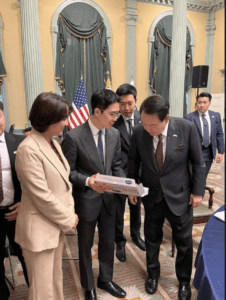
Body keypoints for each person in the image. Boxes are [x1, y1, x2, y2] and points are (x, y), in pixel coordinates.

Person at [127, 95, 206, 300]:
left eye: (152, 125)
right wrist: (131, 187)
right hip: (152, 197)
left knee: (184, 242)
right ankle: (153, 275)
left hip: (180, 196)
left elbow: (198, 163)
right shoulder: (138, 132)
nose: (148, 129)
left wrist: (197, 192)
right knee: (152, 239)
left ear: (166, 118)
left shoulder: (186, 129)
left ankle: (183, 282)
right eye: (144, 123)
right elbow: (133, 163)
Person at [62, 89, 126, 300]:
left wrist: (126, 185)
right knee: (85, 245)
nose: (117, 118)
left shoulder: (114, 134)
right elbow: (68, 173)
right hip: (86, 200)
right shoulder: (74, 136)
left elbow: (115, 165)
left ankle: (105, 279)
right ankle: (88, 285)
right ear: (97, 112)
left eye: (117, 114)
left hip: (109, 200)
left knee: (108, 242)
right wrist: (89, 181)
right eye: (113, 114)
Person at [14, 92, 78, 300]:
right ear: (48, 119)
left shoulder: (54, 143)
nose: (66, 123)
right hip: (39, 230)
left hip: (53, 225)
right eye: (63, 118)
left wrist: (69, 212)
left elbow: (64, 184)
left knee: (54, 282)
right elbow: (42, 196)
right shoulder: (28, 149)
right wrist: (69, 219)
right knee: (42, 291)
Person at [114, 83, 145, 263]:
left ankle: (136, 235)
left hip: (140, 176)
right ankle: (119, 241)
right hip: (120, 176)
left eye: (130, 103)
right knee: (118, 211)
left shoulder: (144, 119)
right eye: (122, 104)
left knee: (136, 207)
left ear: (136, 101)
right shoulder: (113, 124)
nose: (126, 108)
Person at [0, 101, 28, 300]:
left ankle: (36, 292)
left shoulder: (19, 143)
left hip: (16, 210)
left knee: (26, 255)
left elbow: (31, 180)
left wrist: (24, 203)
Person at [184, 92, 224, 179]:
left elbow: (219, 134)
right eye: (199, 102)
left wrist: (220, 152)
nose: (202, 105)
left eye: (204, 102)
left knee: (202, 178)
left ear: (209, 103)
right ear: (197, 103)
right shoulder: (189, 117)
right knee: (192, 178)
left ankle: (200, 192)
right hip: (193, 153)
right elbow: (184, 137)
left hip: (208, 153)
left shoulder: (216, 116)